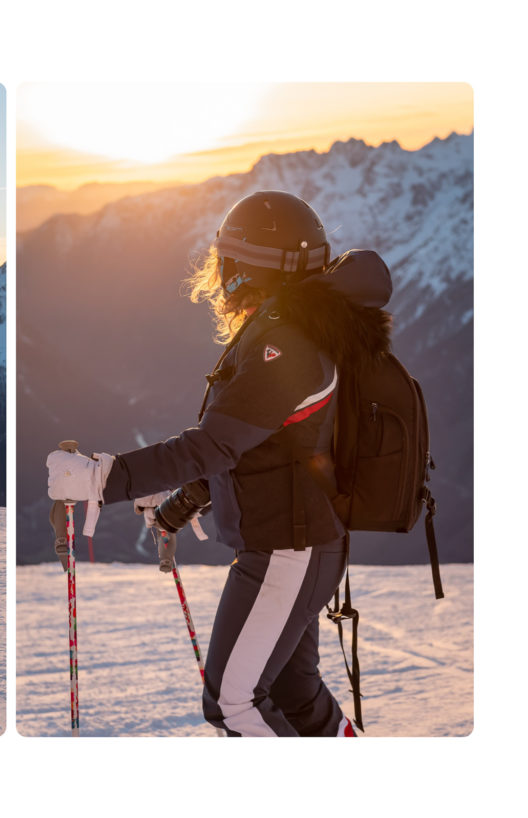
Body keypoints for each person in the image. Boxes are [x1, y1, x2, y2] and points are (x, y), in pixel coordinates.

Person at [47, 191, 394, 736]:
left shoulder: (288, 345)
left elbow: (214, 445)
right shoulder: (291, 330)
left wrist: (100, 479)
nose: (218, 274)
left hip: (289, 549)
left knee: (234, 704)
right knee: (295, 696)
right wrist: (180, 506)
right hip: (300, 542)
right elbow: (265, 446)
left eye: (225, 260)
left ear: (249, 267)